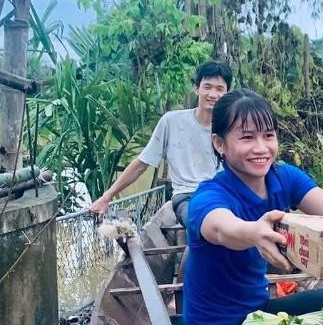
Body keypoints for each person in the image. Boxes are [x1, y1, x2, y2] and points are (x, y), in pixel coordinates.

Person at [165, 88, 323, 325]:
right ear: (219, 144)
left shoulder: (283, 178)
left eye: (268, 135)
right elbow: (221, 228)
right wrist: (254, 232)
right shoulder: (210, 195)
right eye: (247, 138)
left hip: (256, 310)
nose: (261, 148)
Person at [88, 61, 233, 226]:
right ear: (196, 88)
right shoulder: (172, 122)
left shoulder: (231, 127)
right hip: (187, 196)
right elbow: (142, 163)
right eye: (207, 87)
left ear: (227, 93)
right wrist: (106, 197)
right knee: (204, 223)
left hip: (221, 195)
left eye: (219, 89)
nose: (213, 94)